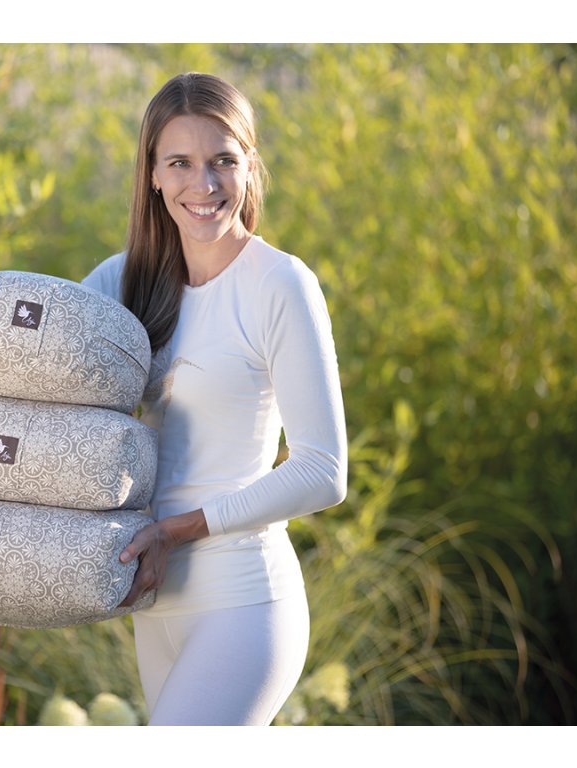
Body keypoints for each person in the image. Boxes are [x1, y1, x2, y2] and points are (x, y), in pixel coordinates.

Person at [80, 72, 347, 725]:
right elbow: (32, 380)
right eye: (180, 163)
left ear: (250, 166)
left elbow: (323, 470)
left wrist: (176, 529)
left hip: (244, 601)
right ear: (152, 174)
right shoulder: (122, 281)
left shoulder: (280, 284)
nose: (203, 185)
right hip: (153, 603)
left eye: (223, 161)